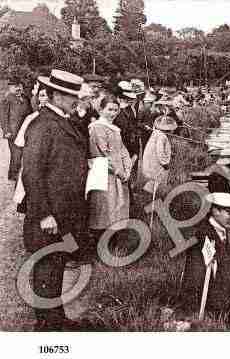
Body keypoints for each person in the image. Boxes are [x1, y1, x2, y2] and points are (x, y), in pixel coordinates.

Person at [22, 69, 89, 331]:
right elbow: (32, 173)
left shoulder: (62, 120)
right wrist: (43, 214)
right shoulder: (43, 124)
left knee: (56, 265)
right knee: (47, 268)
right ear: (57, 95)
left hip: (65, 212)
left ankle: (55, 319)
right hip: (50, 215)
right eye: (72, 96)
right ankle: (46, 326)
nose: (77, 101)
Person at [88, 95, 133, 250]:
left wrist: (128, 168)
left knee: (116, 209)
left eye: (116, 109)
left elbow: (122, 150)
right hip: (104, 173)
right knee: (105, 209)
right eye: (109, 109)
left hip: (119, 173)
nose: (113, 113)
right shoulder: (97, 127)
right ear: (101, 110)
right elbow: (104, 154)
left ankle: (115, 244)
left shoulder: (114, 128)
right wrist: (120, 172)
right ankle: (102, 246)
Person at [141, 106, 177, 197]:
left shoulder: (156, 133)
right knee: (157, 179)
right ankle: (151, 197)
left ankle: (147, 195)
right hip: (155, 163)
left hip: (151, 161)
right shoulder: (162, 137)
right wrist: (165, 163)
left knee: (153, 181)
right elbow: (160, 152)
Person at [0, 79, 32, 180]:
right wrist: (6, 131)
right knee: (16, 155)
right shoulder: (7, 99)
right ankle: (13, 176)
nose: (18, 88)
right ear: (10, 88)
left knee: (22, 154)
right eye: (15, 86)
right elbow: (3, 117)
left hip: (24, 131)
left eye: (20, 86)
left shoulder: (26, 99)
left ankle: (17, 175)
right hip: (13, 132)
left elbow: (30, 114)